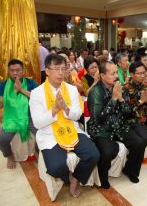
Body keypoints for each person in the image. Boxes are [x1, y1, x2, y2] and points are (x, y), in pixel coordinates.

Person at [29, 54, 99, 198]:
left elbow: (77, 114)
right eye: (56, 69)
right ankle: (69, 178)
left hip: (71, 129)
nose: (61, 73)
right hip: (50, 134)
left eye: (63, 69)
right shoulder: (36, 93)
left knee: (94, 155)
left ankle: (76, 179)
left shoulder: (71, 90)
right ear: (47, 71)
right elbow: (37, 123)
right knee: (55, 168)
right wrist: (54, 110)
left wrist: (66, 109)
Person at [87, 61, 147, 189]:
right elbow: (98, 118)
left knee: (140, 142)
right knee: (107, 151)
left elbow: (127, 112)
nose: (116, 76)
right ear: (103, 76)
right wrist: (113, 99)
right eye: (113, 73)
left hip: (119, 124)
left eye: (116, 72)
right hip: (101, 128)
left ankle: (130, 170)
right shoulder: (95, 92)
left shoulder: (119, 86)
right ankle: (102, 178)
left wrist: (121, 99)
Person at [0, 59, 38, 169]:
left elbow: (38, 98)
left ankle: (39, 154)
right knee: (2, 141)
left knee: (42, 136)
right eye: (12, 70)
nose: (15, 73)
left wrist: (21, 90)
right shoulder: (4, 85)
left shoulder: (30, 83)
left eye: (18, 70)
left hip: (30, 117)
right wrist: (12, 93)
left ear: (23, 71)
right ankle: (9, 155)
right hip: (12, 118)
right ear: (8, 72)